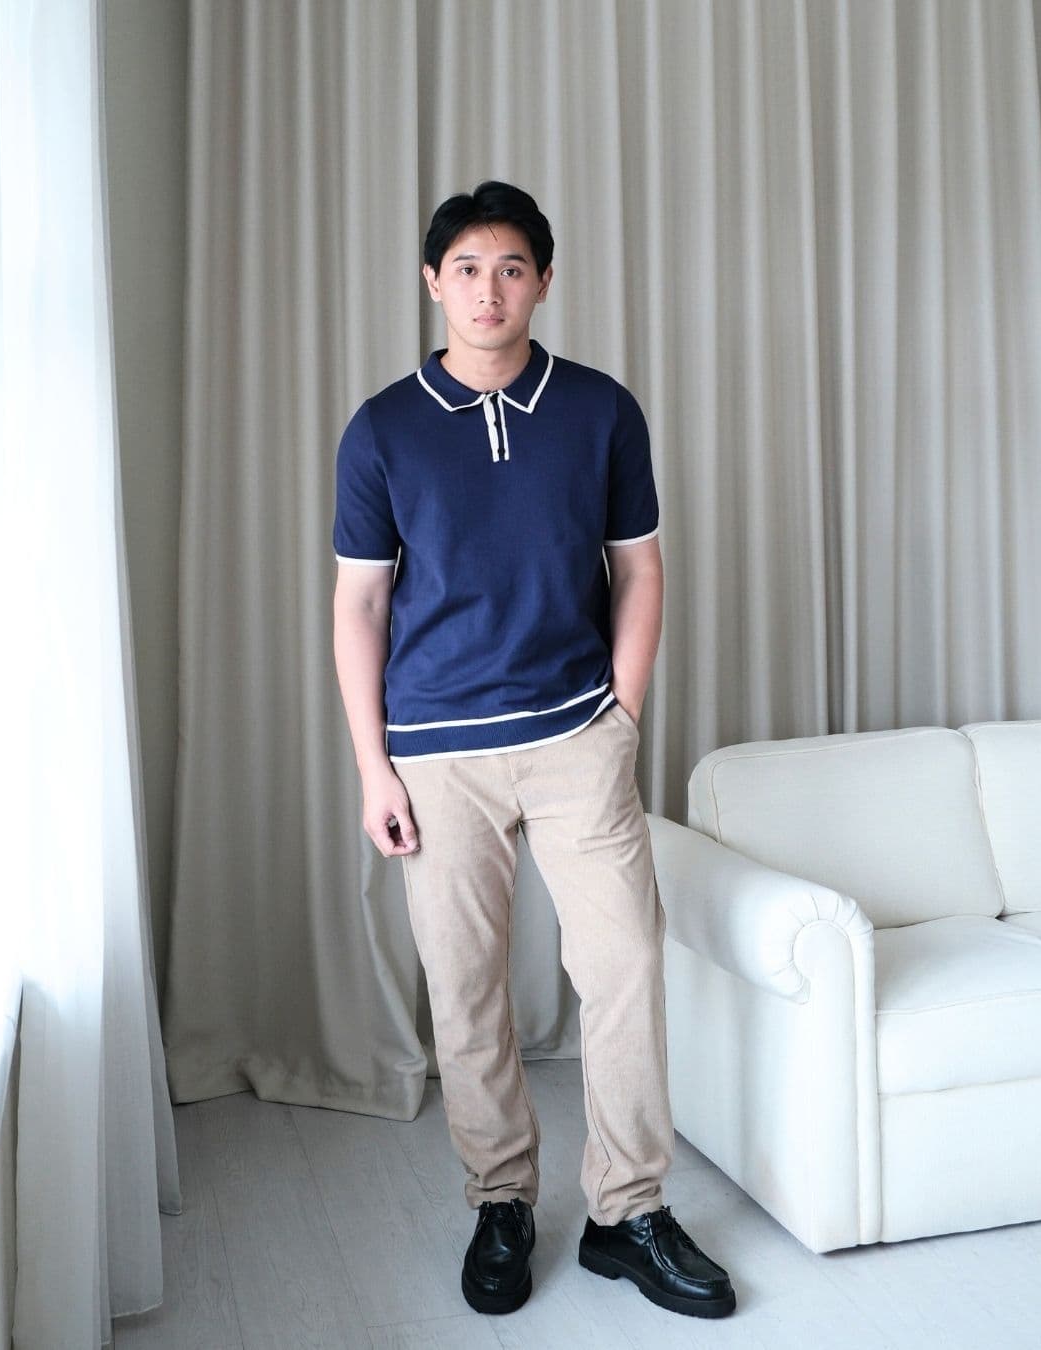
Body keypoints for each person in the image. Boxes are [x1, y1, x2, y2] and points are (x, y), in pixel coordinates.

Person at [332, 181, 736, 1320]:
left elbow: (639, 569)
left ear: (543, 281)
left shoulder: (600, 411)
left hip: (575, 735)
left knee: (625, 969)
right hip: (436, 753)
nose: (489, 289)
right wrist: (373, 769)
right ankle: (501, 1201)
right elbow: (360, 603)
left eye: (511, 267)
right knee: (465, 991)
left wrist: (622, 715)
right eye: (466, 268)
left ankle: (628, 1212)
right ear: (433, 282)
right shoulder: (383, 429)